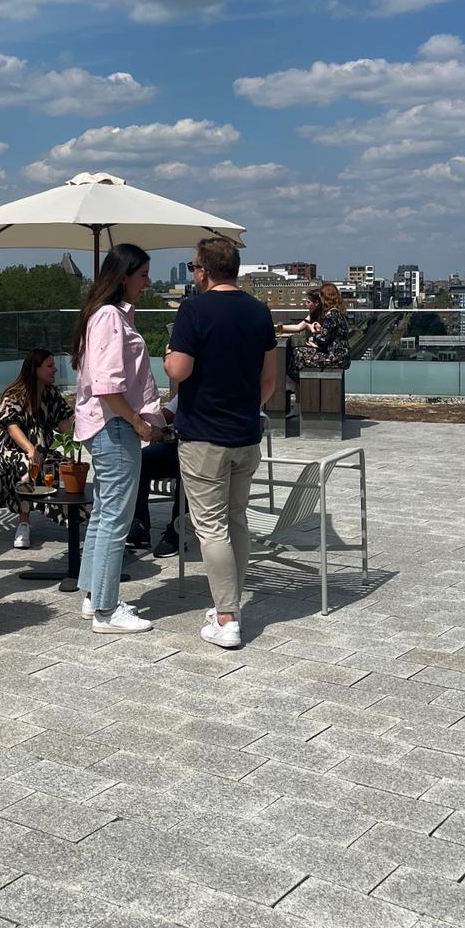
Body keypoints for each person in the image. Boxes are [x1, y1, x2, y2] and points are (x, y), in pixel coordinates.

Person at [163, 237, 277, 649]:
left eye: (193, 267)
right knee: (237, 518)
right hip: (245, 433)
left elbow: (180, 367)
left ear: (203, 271)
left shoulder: (193, 309)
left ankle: (227, 617)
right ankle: (231, 606)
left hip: (203, 436)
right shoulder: (259, 311)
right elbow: (269, 381)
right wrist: (246, 408)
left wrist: (167, 356)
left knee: (211, 527)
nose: (192, 273)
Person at [71, 243, 165, 632]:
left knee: (104, 513)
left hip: (105, 425)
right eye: (142, 275)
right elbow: (108, 385)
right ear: (124, 276)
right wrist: (139, 423)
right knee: (115, 517)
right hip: (114, 425)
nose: (146, 283)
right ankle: (107, 610)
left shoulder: (105, 315)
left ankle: (95, 596)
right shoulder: (110, 317)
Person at [0, 348, 73, 547]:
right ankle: (23, 523)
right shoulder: (14, 394)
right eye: (50, 366)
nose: (55, 370)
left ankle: (75, 520)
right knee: (26, 465)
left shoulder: (51, 393)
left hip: (42, 450)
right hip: (12, 450)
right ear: (35, 369)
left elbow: (64, 423)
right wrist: (30, 449)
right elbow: (11, 427)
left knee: (68, 469)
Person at [126, 410, 182, 557]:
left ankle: (178, 531)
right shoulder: (188, 388)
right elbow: (167, 413)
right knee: (139, 461)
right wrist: (151, 424)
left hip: (204, 446)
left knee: (189, 473)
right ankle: (140, 525)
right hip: (176, 445)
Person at [283, 282, 350, 374]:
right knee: (299, 353)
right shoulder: (337, 312)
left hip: (335, 358)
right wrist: (319, 331)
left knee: (298, 354)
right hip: (340, 356)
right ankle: (300, 383)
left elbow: (322, 340)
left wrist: (313, 331)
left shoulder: (331, 314)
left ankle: (296, 383)